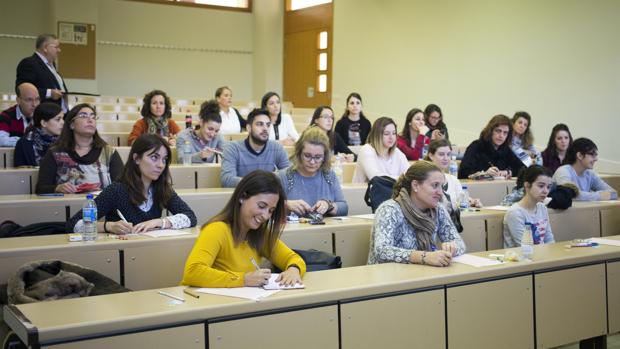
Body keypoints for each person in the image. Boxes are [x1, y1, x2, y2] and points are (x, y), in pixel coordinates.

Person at [182, 170, 306, 288]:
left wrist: (294, 269)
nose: (265, 216)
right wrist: (243, 279)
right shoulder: (217, 229)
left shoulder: (260, 234)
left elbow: (293, 258)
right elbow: (193, 272)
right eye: (261, 206)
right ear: (242, 196)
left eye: (271, 211)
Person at [67, 134, 197, 234]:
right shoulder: (116, 190)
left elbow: (190, 217)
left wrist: (160, 222)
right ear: (136, 158)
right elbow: (73, 224)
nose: (161, 165)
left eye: (164, 159)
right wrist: (108, 226)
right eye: (154, 157)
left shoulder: (161, 188)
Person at [368, 161, 466, 266]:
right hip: (387, 276)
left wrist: (452, 247)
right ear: (415, 185)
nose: (441, 192)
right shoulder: (389, 210)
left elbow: (459, 243)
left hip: (421, 273)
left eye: (441, 186)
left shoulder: (438, 209)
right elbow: (382, 251)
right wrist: (424, 257)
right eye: (435, 185)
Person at [35, 103, 123, 194]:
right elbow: (40, 189)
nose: (90, 120)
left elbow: (122, 187)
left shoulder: (109, 153)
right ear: (72, 124)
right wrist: (56, 188)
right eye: (83, 116)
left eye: (93, 117)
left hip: (103, 206)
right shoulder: (55, 153)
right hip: (66, 206)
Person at [278, 127, 348, 217]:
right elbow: (268, 207)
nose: (312, 162)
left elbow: (344, 208)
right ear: (299, 153)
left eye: (318, 157)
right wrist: (286, 205)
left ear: (324, 157)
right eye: (307, 156)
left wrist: (328, 206)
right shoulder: (283, 177)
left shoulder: (329, 175)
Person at [220, 108, 290, 187]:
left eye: (268, 125)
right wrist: (262, 181)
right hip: (244, 196)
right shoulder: (232, 148)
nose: (265, 129)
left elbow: (290, 175)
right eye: (260, 124)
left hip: (269, 196)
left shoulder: (277, 147)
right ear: (249, 128)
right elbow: (226, 180)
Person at [503, 165, 555, 248]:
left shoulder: (542, 208)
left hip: (541, 256)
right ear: (527, 185)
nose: (545, 191)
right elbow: (525, 247)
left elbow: (549, 240)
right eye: (541, 186)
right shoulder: (515, 213)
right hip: (521, 258)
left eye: (548, 187)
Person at [458, 114, 524, 179]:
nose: (501, 135)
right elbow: (463, 172)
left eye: (505, 133)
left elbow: (522, 169)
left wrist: (507, 172)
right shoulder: (476, 146)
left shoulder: (505, 150)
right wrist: (484, 174)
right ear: (490, 131)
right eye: (498, 131)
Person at [553, 138, 617, 201]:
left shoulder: (590, 174)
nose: (596, 159)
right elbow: (569, 194)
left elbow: (614, 193)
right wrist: (599, 195)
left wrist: (590, 196)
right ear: (580, 155)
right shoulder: (563, 171)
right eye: (592, 155)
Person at [427, 139, 482, 213]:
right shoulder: (425, 179)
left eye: (448, 154)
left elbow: (461, 201)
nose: (446, 158)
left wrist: (472, 202)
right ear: (431, 155)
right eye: (441, 154)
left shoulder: (453, 180)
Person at [16, 34, 68, 110]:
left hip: (60, 113)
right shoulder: (29, 63)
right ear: (45, 48)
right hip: (44, 114)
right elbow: (23, 90)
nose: (59, 50)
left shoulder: (52, 65)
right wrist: (50, 93)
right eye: (56, 47)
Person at [352, 117, 409, 183]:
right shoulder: (366, 149)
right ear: (377, 135)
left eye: (394, 133)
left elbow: (410, 175)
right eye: (386, 134)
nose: (391, 137)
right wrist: (402, 178)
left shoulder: (397, 152)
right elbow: (376, 178)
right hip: (362, 192)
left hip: (391, 192)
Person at [14, 102, 64, 167]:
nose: (63, 122)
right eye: (58, 119)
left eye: (63, 118)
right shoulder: (24, 144)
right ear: (43, 123)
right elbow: (20, 173)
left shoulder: (64, 142)